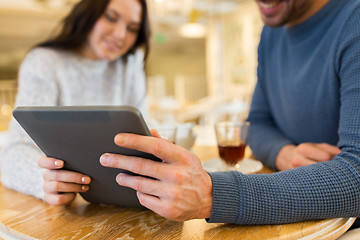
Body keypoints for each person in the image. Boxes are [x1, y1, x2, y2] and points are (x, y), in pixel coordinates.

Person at [92, 0, 360, 225]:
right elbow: (258, 123)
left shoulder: (353, 20)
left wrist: (212, 194)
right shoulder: (271, 35)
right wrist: (285, 153)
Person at [0, 0, 151, 205]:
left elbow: (144, 138)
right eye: (111, 17)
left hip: (126, 197)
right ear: (88, 13)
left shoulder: (130, 64)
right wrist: (43, 180)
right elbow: (11, 155)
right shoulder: (44, 63)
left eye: (132, 28)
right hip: (69, 206)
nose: (120, 35)